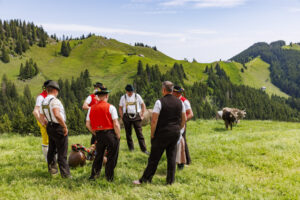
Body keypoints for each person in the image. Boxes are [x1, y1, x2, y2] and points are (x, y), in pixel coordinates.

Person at [133, 81, 186, 185]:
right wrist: (178, 128)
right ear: (172, 90)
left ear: (163, 90)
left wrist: (152, 134)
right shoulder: (180, 102)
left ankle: (145, 179)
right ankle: (170, 181)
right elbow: (183, 119)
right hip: (175, 133)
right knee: (171, 157)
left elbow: (154, 120)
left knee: (154, 158)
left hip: (162, 133)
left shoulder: (159, 102)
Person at [86, 86, 121, 181]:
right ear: (106, 96)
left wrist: (94, 132)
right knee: (112, 156)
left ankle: (94, 175)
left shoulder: (91, 108)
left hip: (99, 134)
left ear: (98, 96)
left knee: (98, 155)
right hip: (110, 134)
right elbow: (116, 123)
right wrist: (118, 135)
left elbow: (87, 124)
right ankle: (109, 177)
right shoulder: (111, 107)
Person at [39, 81, 71, 178]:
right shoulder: (55, 101)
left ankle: (52, 170)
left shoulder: (43, 101)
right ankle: (65, 175)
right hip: (58, 127)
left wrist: (46, 122)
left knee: (51, 149)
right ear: (55, 90)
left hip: (50, 126)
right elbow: (57, 114)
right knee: (62, 152)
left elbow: (41, 116)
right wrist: (64, 126)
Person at [119, 84, 148, 154]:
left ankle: (144, 150)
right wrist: (122, 116)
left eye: (131, 91)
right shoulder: (123, 97)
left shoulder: (137, 96)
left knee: (139, 133)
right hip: (126, 116)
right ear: (126, 91)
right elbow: (120, 107)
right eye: (129, 92)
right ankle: (131, 149)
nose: (130, 93)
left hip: (136, 116)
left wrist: (142, 114)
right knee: (128, 134)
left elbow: (143, 105)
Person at [173, 86, 194, 168]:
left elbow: (190, 114)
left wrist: (182, 122)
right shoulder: (175, 100)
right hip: (175, 124)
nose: (172, 93)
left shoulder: (184, 101)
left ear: (178, 93)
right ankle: (181, 160)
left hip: (181, 124)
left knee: (182, 142)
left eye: (174, 92)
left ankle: (186, 161)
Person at [32, 80, 51, 162]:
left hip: (50, 120)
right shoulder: (41, 97)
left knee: (51, 139)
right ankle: (48, 160)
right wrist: (42, 122)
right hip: (44, 121)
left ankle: (53, 158)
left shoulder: (48, 96)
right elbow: (35, 112)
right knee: (46, 140)